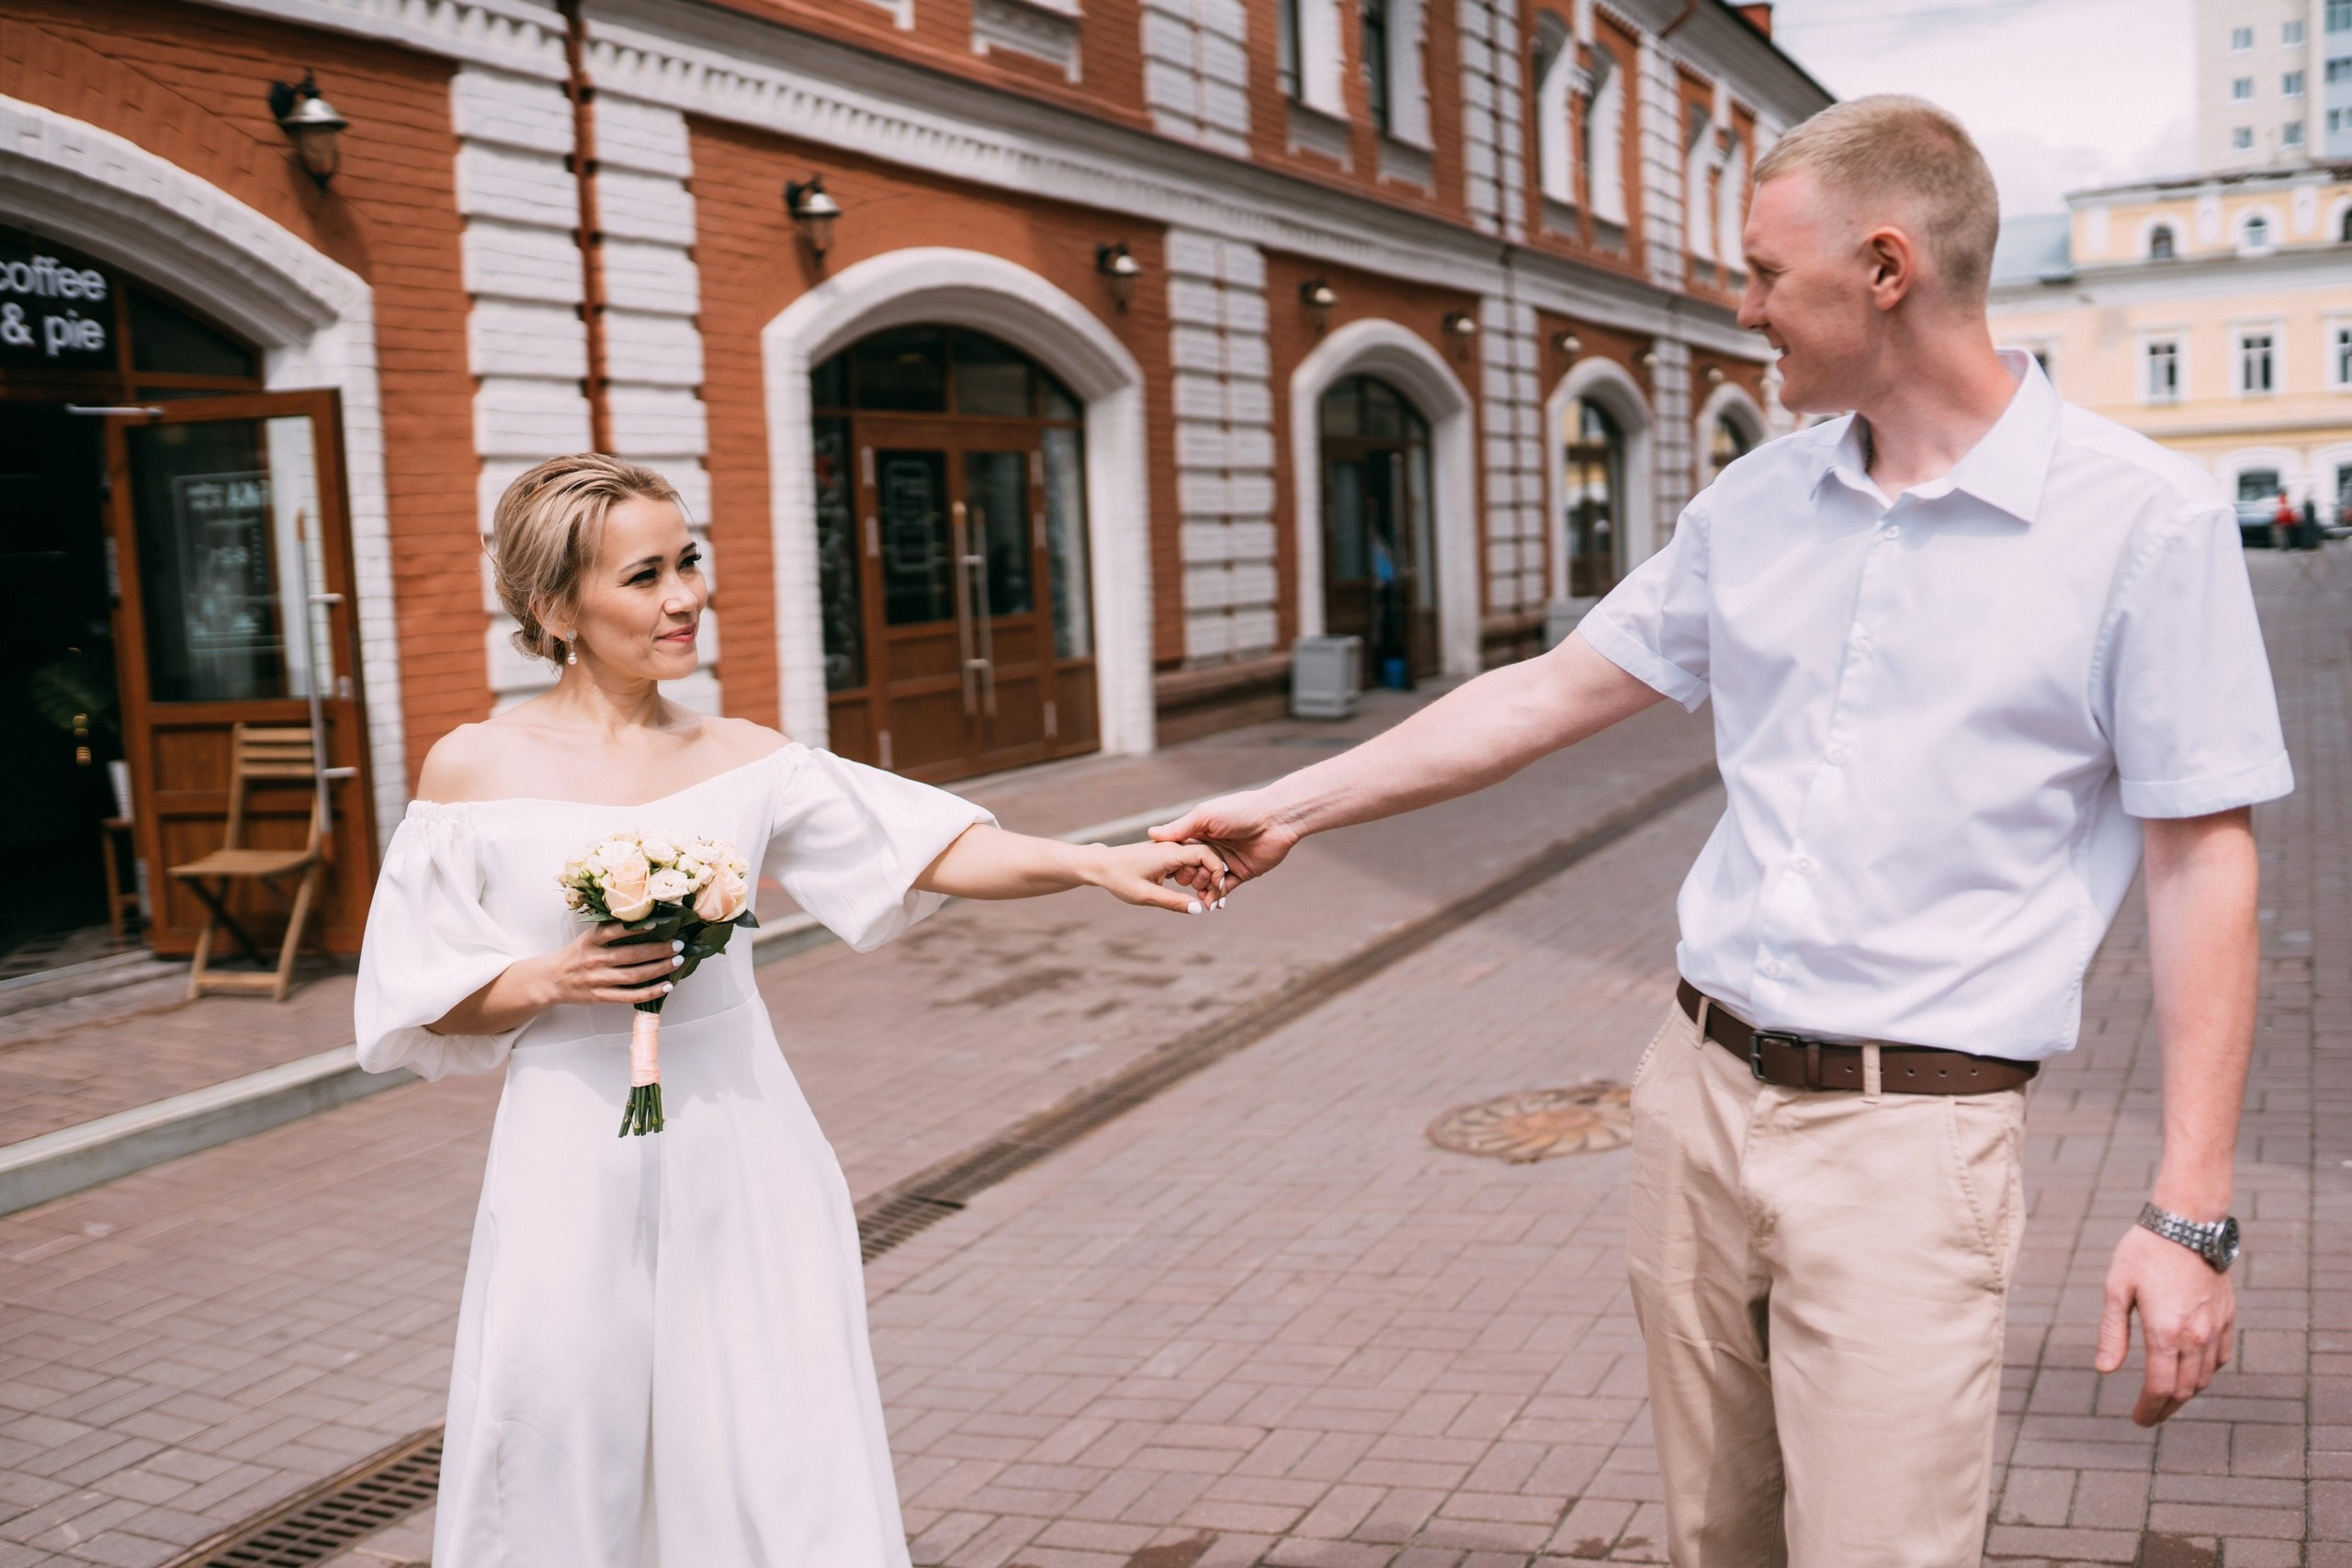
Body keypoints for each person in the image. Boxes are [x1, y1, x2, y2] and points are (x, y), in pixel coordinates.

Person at [1155, 96, 2289, 1565]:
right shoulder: (1757, 501)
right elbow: (1553, 686)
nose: (1740, 306)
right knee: (1714, 1537)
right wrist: (1293, 802)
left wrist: (2189, 1212)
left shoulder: (2144, 522)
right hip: (1693, 1100)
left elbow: (2205, 860)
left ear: (1888, 268)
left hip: (1909, 1138)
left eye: (1763, 272)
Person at [354, 454, 1226, 1565]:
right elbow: (418, 994)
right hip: (567, 1145)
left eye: (689, 561)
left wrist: (1093, 864)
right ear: (552, 606)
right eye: (643, 577)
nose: (683, 598)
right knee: (559, 1419)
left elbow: (939, 847)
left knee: (774, 1427)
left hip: (743, 1134)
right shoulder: (474, 767)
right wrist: (549, 981)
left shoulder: (747, 757)